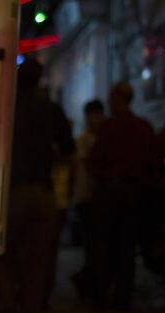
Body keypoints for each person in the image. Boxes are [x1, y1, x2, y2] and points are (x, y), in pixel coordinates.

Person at [0, 57, 75, 313]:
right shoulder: (51, 109)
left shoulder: (6, 110)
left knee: (4, 260)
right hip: (43, 193)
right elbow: (69, 150)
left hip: (10, 194)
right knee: (35, 264)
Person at [88, 82, 158, 310]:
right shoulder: (142, 127)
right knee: (126, 246)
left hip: (111, 192)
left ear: (117, 100)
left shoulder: (110, 128)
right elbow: (152, 162)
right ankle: (122, 297)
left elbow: (96, 160)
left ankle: (102, 294)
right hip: (134, 193)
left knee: (104, 244)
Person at [70, 99, 105, 301]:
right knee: (91, 243)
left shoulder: (101, 138)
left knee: (95, 244)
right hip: (85, 196)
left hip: (92, 196)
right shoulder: (83, 140)